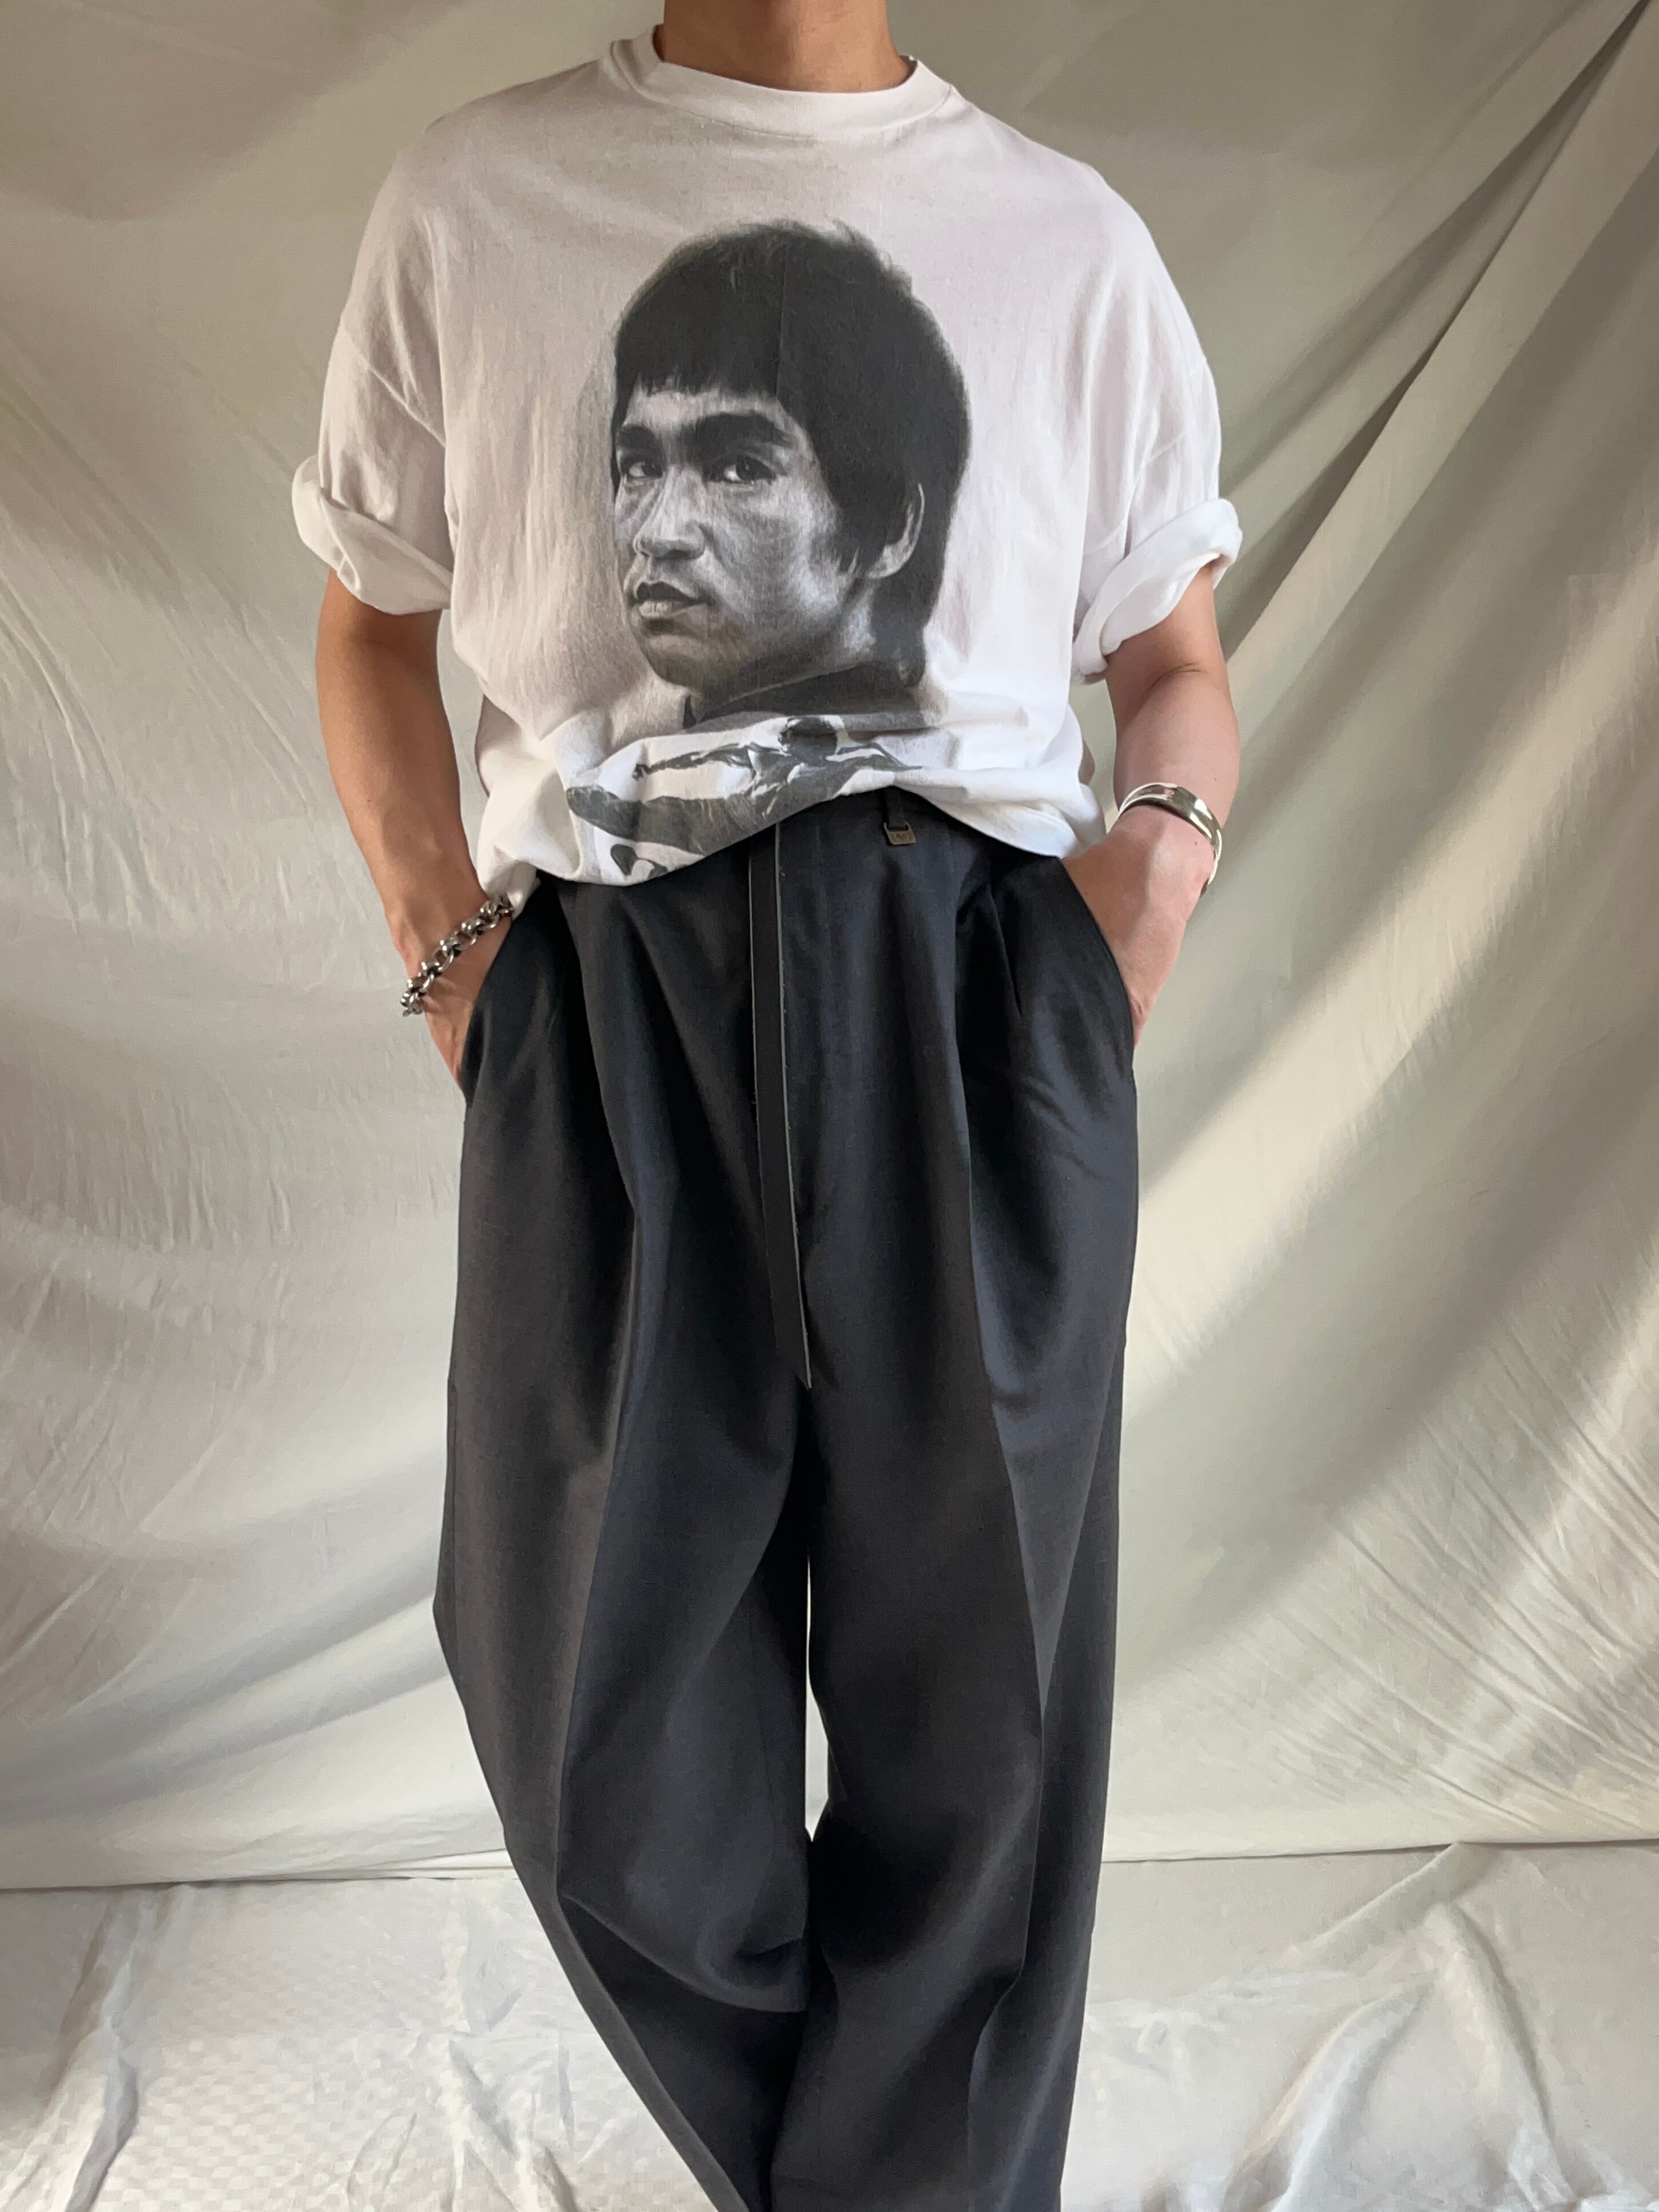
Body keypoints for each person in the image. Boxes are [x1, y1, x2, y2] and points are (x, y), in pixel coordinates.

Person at [293, 1, 1243, 2206]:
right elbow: (366, 629)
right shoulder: (474, 199)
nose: (662, 514)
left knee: (979, 1745)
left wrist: (1147, 884)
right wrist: (457, 964)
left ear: (880, 515)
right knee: (592, 1736)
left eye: (734, 463)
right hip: (611, 1011)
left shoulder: (1065, 244)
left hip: (968, 1000)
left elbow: (1174, 657)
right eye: (641, 460)